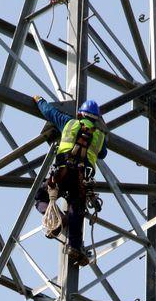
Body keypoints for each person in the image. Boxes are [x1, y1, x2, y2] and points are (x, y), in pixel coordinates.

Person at [32, 96, 109, 266]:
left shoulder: (69, 123)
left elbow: (49, 112)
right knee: (76, 210)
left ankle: (58, 219)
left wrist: (39, 101)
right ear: (97, 119)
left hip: (62, 173)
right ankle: (74, 247)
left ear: (80, 114)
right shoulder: (100, 137)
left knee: (40, 196)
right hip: (82, 179)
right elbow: (103, 154)